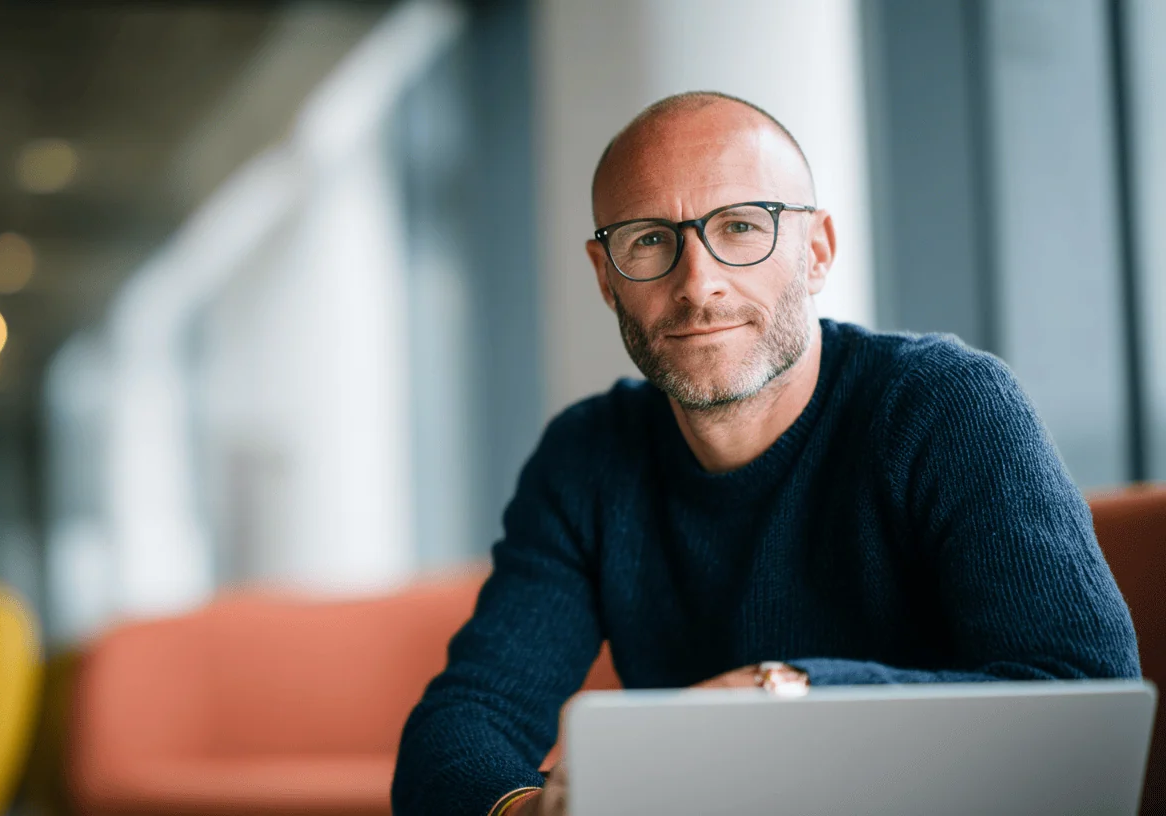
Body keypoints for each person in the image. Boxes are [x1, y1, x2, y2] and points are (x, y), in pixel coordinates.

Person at [389, 91, 1141, 816]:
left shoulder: (947, 406)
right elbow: (468, 718)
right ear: (605, 277)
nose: (698, 284)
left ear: (816, 252)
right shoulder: (587, 456)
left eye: (742, 227)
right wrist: (527, 810)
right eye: (650, 239)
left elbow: (1085, 692)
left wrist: (782, 694)